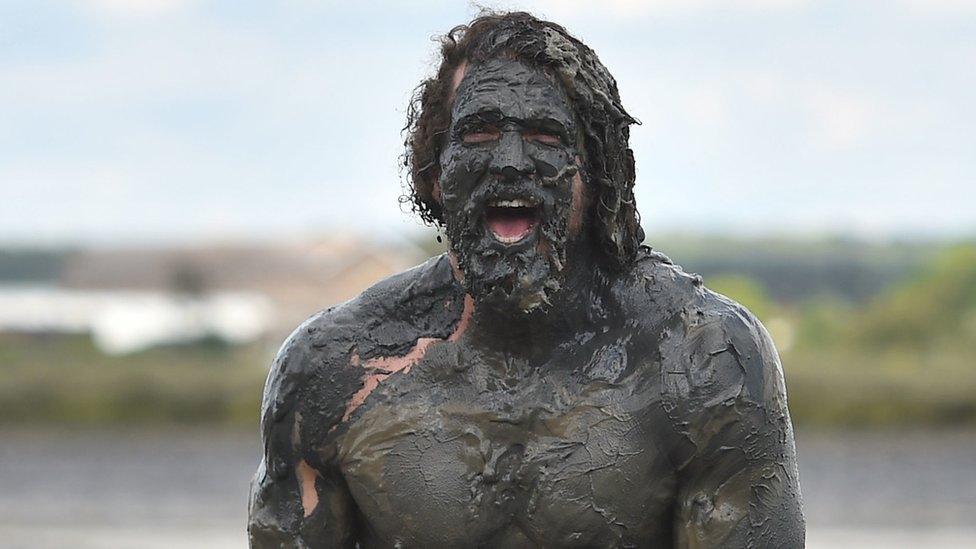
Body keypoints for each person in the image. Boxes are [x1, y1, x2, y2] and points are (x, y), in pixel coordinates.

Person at [248, 11, 804, 548]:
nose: (510, 162)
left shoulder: (702, 361)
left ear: (598, 171)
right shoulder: (335, 369)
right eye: (479, 133)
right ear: (435, 173)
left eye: (543, 135)